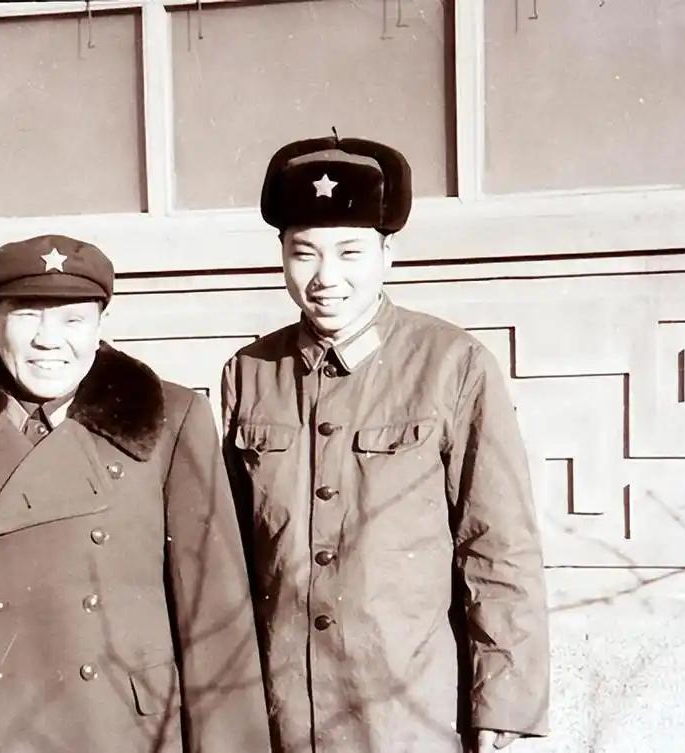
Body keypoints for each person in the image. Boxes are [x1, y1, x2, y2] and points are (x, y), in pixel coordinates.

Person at [0, 235, 270, 753]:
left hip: (121, 731)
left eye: (73, 320)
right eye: (27, 316)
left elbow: (215, 616)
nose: (49, 341)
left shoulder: (171, 419)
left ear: (100, 325)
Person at [221, 137, 550, 753]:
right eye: (303, 253)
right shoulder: (250, 371)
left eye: (350, 252)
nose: (326, 278)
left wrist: (503, 699)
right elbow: (230, 552)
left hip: (408, 712)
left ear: (386, 256)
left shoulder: (453, 365)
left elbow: (497, 544)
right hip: (282, 711)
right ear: (282, 258)